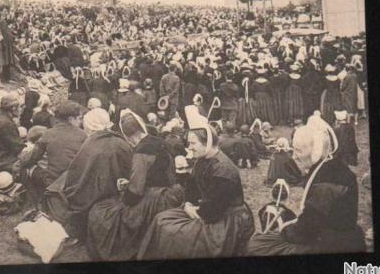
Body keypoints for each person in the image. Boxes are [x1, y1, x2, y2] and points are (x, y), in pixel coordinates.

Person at [138, 110, 254, 260]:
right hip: (204, 208)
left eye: (193, 143)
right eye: (189, 143)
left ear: (208, 144)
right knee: (161, 219)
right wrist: (187, 203)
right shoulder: (202, 160)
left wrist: (194, 209)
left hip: (226, 218)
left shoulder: (223, 170)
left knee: (174, 232)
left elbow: (214, 210)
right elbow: (191, 185)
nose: (190, 147)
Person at [247, 114, 365, 255]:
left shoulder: (326, 182)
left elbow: (305, 230)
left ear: (316, 150)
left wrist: (285, 229)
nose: (295, 156)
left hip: (331, 243)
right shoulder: (331, 165)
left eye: (299, 151)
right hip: (331, 233)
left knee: (257, 247)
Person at [86, 110, 184, 261]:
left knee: (101, 212)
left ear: (127, 136)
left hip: (157, 199)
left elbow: (136, 192)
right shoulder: (160, 141)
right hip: (172, 192)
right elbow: (160, 175)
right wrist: (130, 183)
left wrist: (124, 196)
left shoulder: (142, 151)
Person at [44, 108, 132, 241]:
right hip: (118, 189)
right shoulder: (121, 141)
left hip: (95, 192)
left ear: (90, 126)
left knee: (57, 190)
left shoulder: (92, 143)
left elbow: (78, 172)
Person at [18, 101, 87, 204]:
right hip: (77, 182)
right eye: (79, 118)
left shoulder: (48, 134)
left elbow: (31, 158)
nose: (80, 122)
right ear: (71, 119)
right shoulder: (83, 135)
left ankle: (38, 201)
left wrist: (21, 158)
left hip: (54, 181)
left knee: (29, 168)